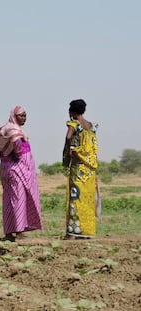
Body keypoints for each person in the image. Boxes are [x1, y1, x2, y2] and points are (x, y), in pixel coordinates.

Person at [0, 106, 42, 242]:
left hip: (6, 167)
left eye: (25, 115)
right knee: (19, 199)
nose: (24, 118)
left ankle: (9, 232)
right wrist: (18, 154)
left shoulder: (5, 129)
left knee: (9, 199)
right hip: (16, 169)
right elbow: (16, 142)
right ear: (14, 116)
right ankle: (19, 232)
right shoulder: (14, 130)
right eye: (21, 115)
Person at [62, 99, 98, 240]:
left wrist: (69, 151)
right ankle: (85, 231)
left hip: (78, 167)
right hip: (89, 169)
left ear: (72, 112)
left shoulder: (74, 124)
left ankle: (72, 232)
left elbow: (68, 137)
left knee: (75, 197)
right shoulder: (91, 126)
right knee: (87, 198)